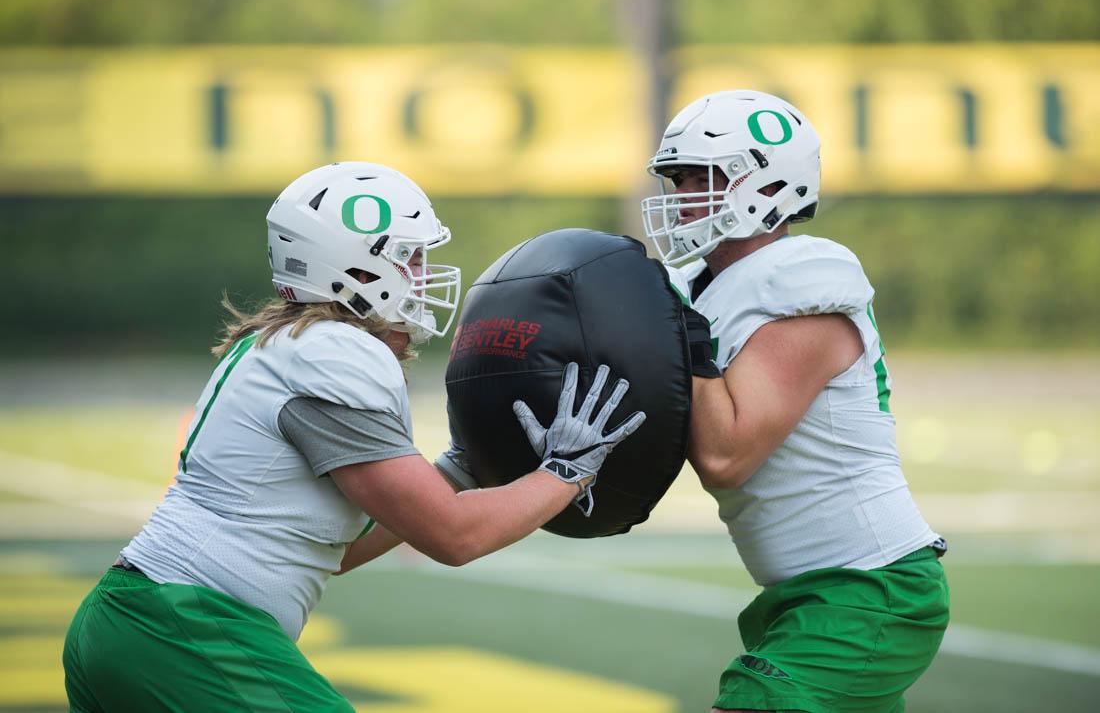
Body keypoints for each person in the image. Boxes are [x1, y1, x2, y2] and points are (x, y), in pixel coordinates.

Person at [61, 162, 645, 713]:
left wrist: (458, 467)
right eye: (410, 258)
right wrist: (565, 471)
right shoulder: (338, 351)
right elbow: (453, 536)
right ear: (358, 268)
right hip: (182, 627)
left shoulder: (287, 344)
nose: (422, 274)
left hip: (133, 625)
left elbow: (338, 550)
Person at [641, 91, 949, 713]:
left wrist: (680, 339)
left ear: (765, 183)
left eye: (701, 177)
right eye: (676, 180)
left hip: (868, 586)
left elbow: (726, 455)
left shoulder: (803, 279)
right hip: (806, 592)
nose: (681, 197)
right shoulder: (698, 286)